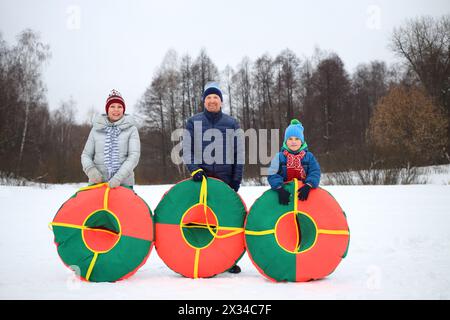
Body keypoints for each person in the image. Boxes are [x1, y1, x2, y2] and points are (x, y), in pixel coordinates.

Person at [182, 81, 244, 273]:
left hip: (225, 180)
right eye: (208, 97)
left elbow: (238, 153)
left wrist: (236, 179)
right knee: (200, 217)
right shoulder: (193, 122)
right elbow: (186, 149)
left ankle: (227, 260)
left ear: (221, 102)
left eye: (215, 97)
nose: (212, 100)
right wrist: (194, 169)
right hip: (201, 178)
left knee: (224, 221)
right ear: (203, 101)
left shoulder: (232, 123)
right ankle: (198, 257)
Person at [81, 89, 140, 189]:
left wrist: (118, 178)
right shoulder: (96, 129)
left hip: (123, 184)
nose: (116, 110)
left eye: (119, 107)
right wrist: (91, 171)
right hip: (97, 184)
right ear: (107, 109)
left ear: (123, 109)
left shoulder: (131, 129)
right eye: (112, 106)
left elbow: (134, 157)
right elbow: (86, 155)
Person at [268, 119, 321, 205]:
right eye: (290, 139)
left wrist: (309, 185)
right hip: (285, 194)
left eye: (297, 139)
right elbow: (272, 174)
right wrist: (279, 188)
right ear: (285, 141)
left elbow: (315, 172)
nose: (293, 142)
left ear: (302, 141)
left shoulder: (309, 156)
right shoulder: (279, 157)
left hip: (304, 193)